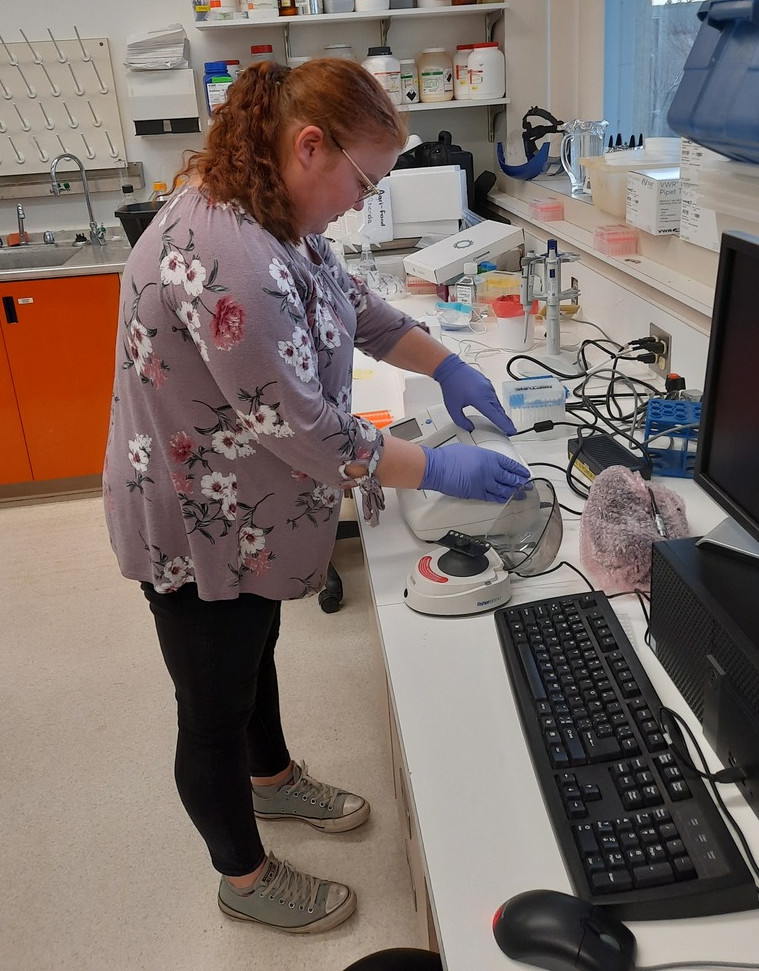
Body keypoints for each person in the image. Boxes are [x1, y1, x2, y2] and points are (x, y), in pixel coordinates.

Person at [103, 58, 529, 936]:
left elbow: (354, 305)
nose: (362, 202)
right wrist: (440, 470)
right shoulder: (228, 255)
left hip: (240, 511)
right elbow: (308, 431)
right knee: (212, 702)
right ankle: (242, 874)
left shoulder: (274, 216)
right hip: (194, 515)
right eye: (366, 181)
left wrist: (443, 361)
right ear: (309, 146)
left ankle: (273, 780)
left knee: (251, 648)